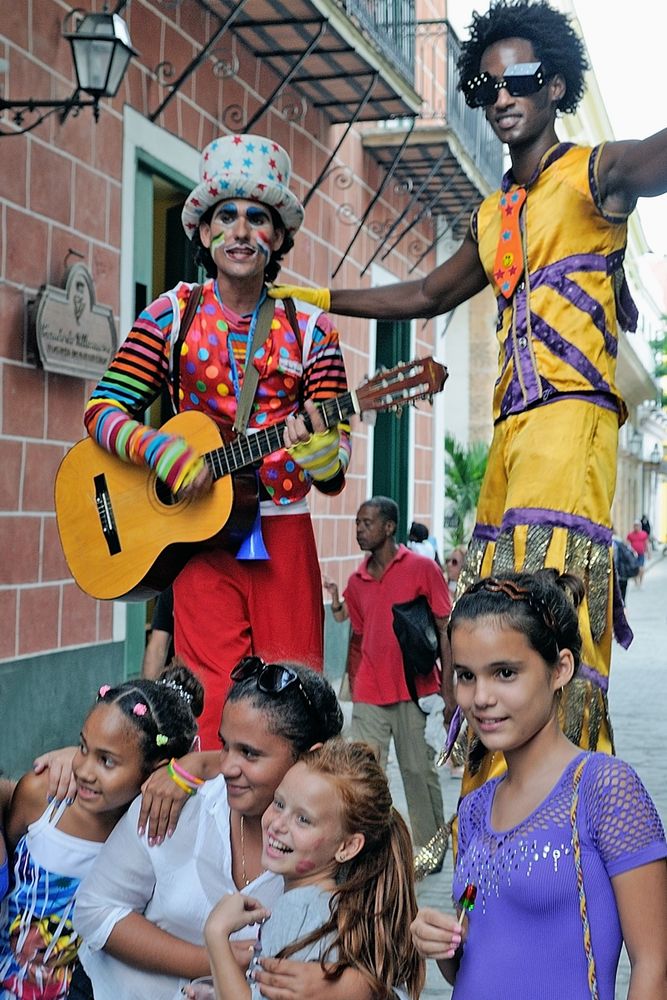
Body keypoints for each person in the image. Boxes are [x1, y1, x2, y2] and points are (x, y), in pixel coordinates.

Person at [269, 0, 667, 788]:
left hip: (572, 418)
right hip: (510, 435)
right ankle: (505, 787)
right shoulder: (494, 215)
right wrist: (313, 297)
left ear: (554, 85)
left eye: (519, 80)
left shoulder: (593, 176)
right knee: (496, 609)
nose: (501, 97)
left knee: (552, 596)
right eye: (485, 87)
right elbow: (423, 293)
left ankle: (572, 789)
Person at [84, 133, 351, 749]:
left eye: (257, 217)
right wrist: (161, 451)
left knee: (294, 709)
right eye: (225, 215)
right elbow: (101, 411)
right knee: (208, 711)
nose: (240, 230)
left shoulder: (313, 330)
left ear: (278, 237)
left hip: (282, 530)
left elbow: (333, 473)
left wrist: (322, 455)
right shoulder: (171, 314)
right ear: (203, 233)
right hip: (200, 535)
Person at [410, 570, 667, 999]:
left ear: (560, 669)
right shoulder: (475, 808)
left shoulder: (605, 790)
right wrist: (441, 943)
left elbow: (654, 967)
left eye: (505, 673)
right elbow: (472, 959)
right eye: (467, 676)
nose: (480, 698)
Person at [73, 662, 375, 1000]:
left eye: (249, 753)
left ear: (311, 757)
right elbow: (94, 909)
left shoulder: (337, 847)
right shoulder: (179, 801)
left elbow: (389, 975)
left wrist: (352, 987)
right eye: (224, 746)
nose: (227, 767)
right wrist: (214, 958)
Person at [0, 664, 203, 999]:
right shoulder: (42, 796)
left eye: (106, 761)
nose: (84, 771)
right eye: (82, 748)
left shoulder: (155, 830)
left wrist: (194, 766)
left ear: (156, 772)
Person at [201, 739, 424, 1000]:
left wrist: (216, 934)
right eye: (279, 803)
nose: (278, 825)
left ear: (348, 846)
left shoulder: (299, 910)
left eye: (303, 820)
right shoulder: (346, 908)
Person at [331, 497, 451, 867]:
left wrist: (450, 688)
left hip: (412, 689)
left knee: (418, 771)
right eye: (356, 523)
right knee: (365, 774)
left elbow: (444, 627)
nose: (359, 530)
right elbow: (356, 633)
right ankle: (369, 854)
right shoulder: (357, 580)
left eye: (367, 523)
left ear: (388, 527)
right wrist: (351, 683)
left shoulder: (421, 568)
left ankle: (430, 851)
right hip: (368, 691)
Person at [141, 587, 175, 680]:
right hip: (187, 682)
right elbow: (157, 648)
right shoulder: (174, 587)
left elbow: (157, 647)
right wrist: (148, 689)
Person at [626, 520, 650, 586]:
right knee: (634, 568)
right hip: (633, 554)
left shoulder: (644, 534)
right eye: (635, 526)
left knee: (641, 568)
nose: (636, 527)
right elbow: (628, 544)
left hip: (641, 554)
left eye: (637, 525)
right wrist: (630, 551)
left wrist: (649, 553)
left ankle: (641, 581)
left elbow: (647, 544)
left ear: (640, 526)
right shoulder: (630, 535)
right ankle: (636, 582)